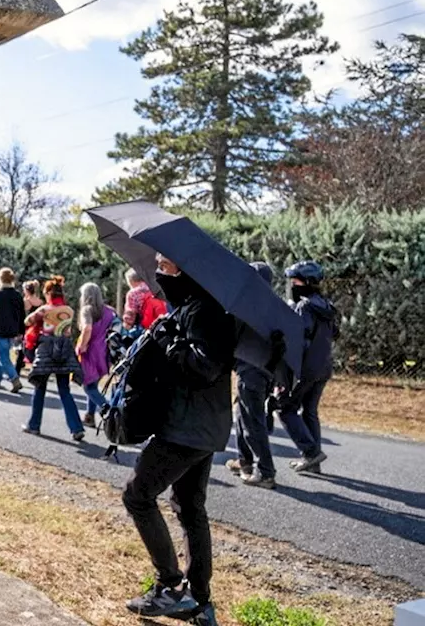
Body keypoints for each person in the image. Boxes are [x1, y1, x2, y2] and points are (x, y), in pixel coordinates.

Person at [122, 253, 236, 626]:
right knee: (188, 506)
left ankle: (170, 586)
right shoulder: (192, 304)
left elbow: (205, 366)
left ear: (185, 266)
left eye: (165, 261)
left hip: (188, 427)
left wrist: (168, 337)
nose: (157, 266)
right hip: (199, 425)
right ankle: (199, 603)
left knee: (138, 495)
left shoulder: (205, 309)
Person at [278, 261, 339, 474]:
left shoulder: (304, 307)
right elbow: (335, 335)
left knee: (284, 408)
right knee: (310, 411)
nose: (292, 285)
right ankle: (314, 461)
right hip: (323, 367)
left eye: (295, 281)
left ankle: (311, 453)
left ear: (307, 283)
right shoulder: (326, 306)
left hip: (306, 369)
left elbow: (297, 340)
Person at [226, 262, 279, 489]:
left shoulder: (248, 306)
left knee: (252, 422)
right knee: (241, 414)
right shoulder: (274, 306)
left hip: (252, 370)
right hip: (264, 370)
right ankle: (244, 461)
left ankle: (265, 472)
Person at [23, 276, 85, 441]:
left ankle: (34, 425)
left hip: (46, 351)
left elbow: (27, 321)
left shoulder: (44, 310)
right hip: (64, 350)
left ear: (49, 293)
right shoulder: (69, 310)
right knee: (64, 390)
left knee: (39, 387)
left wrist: (37, 315)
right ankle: (76, 428)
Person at [76, 282, 116, 428]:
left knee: (88, 386)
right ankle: (89, 416)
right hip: (105, 350)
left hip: (91, 350)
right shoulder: (110, 311)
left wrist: (82, 345)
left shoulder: (87, 310)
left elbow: (87, 328)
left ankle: (110, 411)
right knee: (93, 383)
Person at [0, 268, 25, 393]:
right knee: (1, 355)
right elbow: (22, 315)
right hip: (12, 330)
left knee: (4, 357)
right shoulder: (18, 295)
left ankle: (14, 379)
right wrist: (21, 330)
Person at [16, 280, 44, 374]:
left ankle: (17, 369)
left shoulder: (26, 301)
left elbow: (21, 313)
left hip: (26, 327)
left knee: (21, 349)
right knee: (34, 348)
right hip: (37, 327)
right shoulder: (40, 301)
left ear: (27, 291)